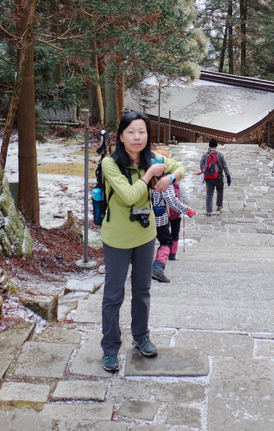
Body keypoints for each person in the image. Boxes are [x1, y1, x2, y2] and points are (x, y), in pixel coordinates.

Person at [99, 112, 186, 372]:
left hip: (145, 236)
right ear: (121, 136)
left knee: (142, 290)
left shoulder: (155, 159)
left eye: (142, 132)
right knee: (113, 295)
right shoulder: (110, 164)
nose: (137, 137)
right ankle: (111, 348)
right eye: (131, 132)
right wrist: (149, 175)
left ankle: (141, 337)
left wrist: (170, 177)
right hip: (116, 238)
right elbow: (128, 196)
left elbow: (180, 167)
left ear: (148, 135)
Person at [150, 150, 196, 283]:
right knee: (166, 242)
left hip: (143, 217)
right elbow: (172, 201)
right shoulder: (165, 181)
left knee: (144, 243)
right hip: (159, 219)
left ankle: (137, 272)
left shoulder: (144, 177)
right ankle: (157, 269)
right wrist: (187, 210)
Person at [200, 138, 231, 215]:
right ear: (216, 146)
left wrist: (204, 173)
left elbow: (201, 165)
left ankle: (209, 211)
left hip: (208, 177)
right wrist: (228, 175)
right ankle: (219, 205)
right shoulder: (220, 155)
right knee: (220, 190)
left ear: (209, 145)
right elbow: (224, 166)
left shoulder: (205, 155)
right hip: (219, 176)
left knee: (209, 193)